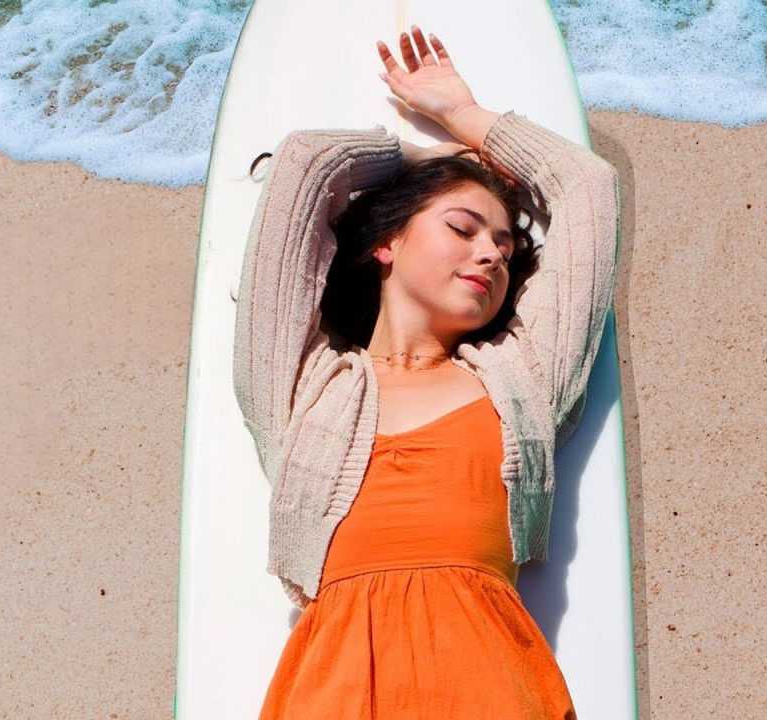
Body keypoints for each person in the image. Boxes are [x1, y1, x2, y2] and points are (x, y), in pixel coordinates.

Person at [233, 26, 622, 718]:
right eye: (464, 227)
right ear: (387, 242)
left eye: (504, 245)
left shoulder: (520, 382)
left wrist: (469, 118)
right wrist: (426, 157)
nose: (492, 255)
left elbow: (589, 188)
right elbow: (305, 165)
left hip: (490, 686)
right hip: (335, 692)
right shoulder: (306, 390)